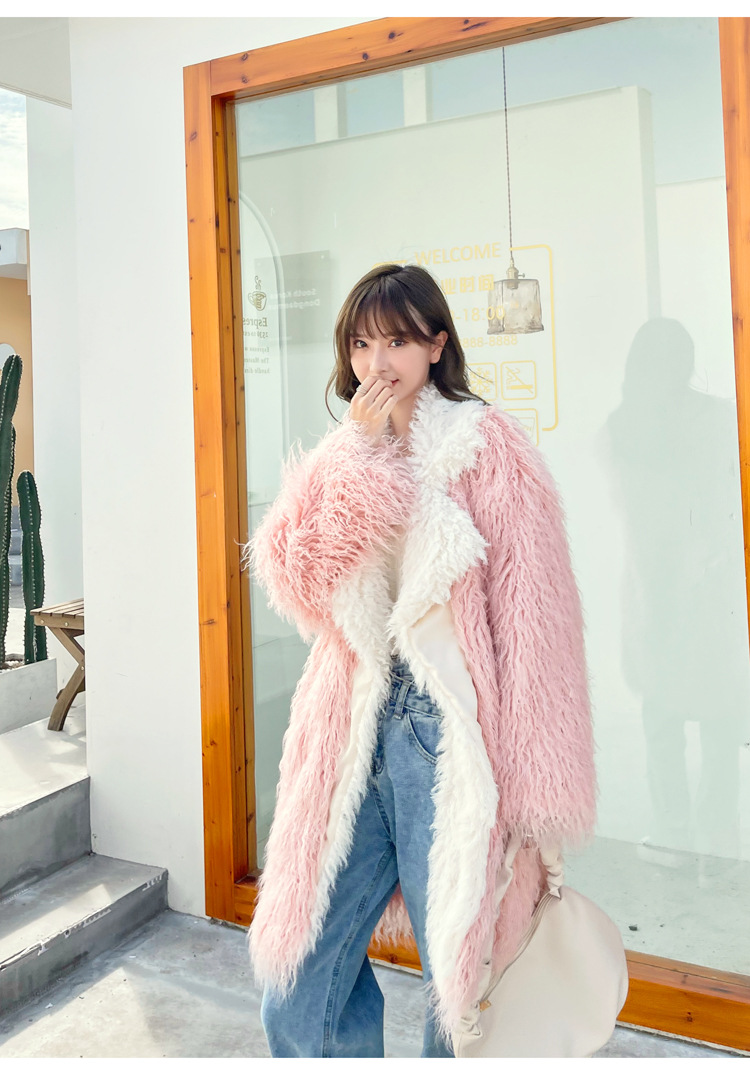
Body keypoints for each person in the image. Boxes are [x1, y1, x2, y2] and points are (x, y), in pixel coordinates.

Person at [242, 263, 597, 1058]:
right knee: (298, 977)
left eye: (398, 341)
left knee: (459, 989)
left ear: (436, 345)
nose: (379, 362)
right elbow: (293, 579)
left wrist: (538, 790)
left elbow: (538, 627)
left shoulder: (488, 449)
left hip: (451, 734)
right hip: (350, 728)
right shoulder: (343, 453)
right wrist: (357, 460)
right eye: (362, 344)